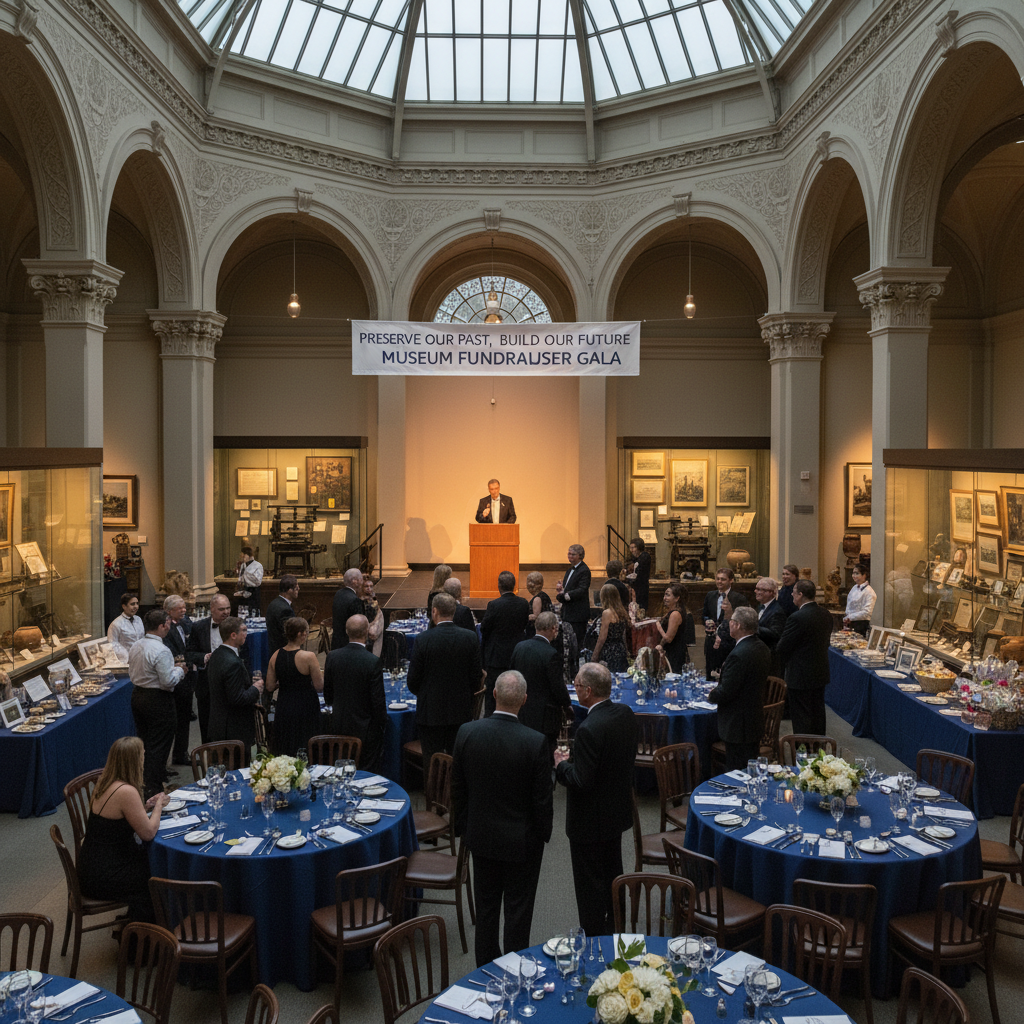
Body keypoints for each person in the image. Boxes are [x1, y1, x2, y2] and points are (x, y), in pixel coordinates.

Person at [451, 670, 553, 967]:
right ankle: (515, 971)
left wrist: (465, 829)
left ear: (494, 694)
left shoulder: (467, 732)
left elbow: (457, 789)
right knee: (518, 915)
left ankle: (484, 972)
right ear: (524, 700)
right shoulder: (535, 742)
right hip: (523, 843)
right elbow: (542, 801)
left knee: (486, 911)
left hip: (481, 837)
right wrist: (542, 836)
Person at [554, 663, 636, 937]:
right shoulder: (625, 714)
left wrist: (561, 765)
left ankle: (593, 939)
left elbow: (580, 781)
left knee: (589, 888)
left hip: (589, 823)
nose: (575, 689)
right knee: (614, 875)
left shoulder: (589, 728)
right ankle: (617, 929)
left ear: (588, 691)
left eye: (577, 685)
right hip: (616, 814)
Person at [78, 737, 167, 924]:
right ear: (134, 761)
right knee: (159, 871)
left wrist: (145, 808)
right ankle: (144, 930)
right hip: (105, 875)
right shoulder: (126, 791)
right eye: (142, 756)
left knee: (150, 860)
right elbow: (148, 833)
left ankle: (137, 921)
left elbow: (117, 820)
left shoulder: (104, 782)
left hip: (91, 866)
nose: (144, 760)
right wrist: (159, 805)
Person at [407, 592, 484, 771]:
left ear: (434, 612)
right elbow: (476, 678)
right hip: (461, 711)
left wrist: (426, 694)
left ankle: (432, 789)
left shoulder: (423, 639)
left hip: (430, 713)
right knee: (457, 762)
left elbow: (413, 681)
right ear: (454, 611)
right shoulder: (469, 637)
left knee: (431, 763)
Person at [128, 609, 185, 798]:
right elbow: (168, 681)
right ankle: (154, 790)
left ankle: (149, 782)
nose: (169, 626)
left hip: (138, 696)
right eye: (168, 623)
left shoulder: (136, 645)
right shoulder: (162, 650)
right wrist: (180, 670)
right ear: (162, 626)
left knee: (145, 741)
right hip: (158, 700)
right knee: (159, 745)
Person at [708, 606, 771, 770]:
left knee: (736, 771)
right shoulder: (762, 647)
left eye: (731, 621)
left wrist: (710, 695)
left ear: (737, 625)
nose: (729, 624)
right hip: (754, 720)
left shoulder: (738, 654)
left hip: (737, 725)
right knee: (750, 768)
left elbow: (727, 691)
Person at [323, 614, 387, 772]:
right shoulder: (372, 661)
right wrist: (381, 726)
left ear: (346, 631)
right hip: (365, 731)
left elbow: (328, 696)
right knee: (366, 774)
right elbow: (377, 702)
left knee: (340, 771)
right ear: (367, 631)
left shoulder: (332, 657)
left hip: (339, 727)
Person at [775, 579, 833, 735]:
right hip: (820, 672)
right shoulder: (826, 614)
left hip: (800, 675)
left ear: (800, 594)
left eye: (794, 592)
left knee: (801, 716)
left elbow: (782, 647)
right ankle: (819, 744)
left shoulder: (797, 617)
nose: (792, 595)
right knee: (818, 712)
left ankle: (803, 747)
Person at [510, 611, 571, 756]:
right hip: (545, 716)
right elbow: (557, 687)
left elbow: (512, 675)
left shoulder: (519, 647)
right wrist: (567, 705)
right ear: (553, 628)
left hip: (521, 710)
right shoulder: (551, 653)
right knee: (544, 755)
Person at [207, 616, 264, 757]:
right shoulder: (233, 663)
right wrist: (256, 688)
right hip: (234, 729)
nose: (246, 634)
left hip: (218, 724)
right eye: (243, 630)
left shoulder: (217, 654)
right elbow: (238, 698)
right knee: (237, 766)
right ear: (233, 635)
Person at [266, 616, 323, 757]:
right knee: (305, 741)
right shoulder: (309, 657)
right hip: (305, 705)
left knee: (286, 742)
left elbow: (270, 686)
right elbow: (319, 686)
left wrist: (286, 680)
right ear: (300, 634)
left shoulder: (275, 655)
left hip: (284, 704)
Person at [480, 570, 530, 713]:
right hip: (517, 654)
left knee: (493, 694)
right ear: (514, 586)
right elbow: (524, 624)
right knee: (516, 690)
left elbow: (484, 628)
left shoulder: (494, 605)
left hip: (497, 656)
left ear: (499, 586)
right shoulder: (523, 603)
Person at [185, 593, 231, 744]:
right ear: (212, 609)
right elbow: (189, 653)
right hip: (206, 685)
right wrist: (204, 657)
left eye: (228, 608)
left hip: (230, 684)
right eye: (221, 609)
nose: (226, 612)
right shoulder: (199, 627)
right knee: (206, 725)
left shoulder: (236, 625)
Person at [161, 594, 196, 768]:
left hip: (187, 677)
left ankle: (181, 753)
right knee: (174, 721)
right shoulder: (165, 630)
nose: (184, 610)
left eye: (184, 607)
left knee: (184, 719)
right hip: (174, 678)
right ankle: (168, 759)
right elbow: (171, 653)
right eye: (179, 608)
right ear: (169, 611)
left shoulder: (186, 623)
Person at [556, 543, 592, 648]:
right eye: (569, 554)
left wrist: (566, 594)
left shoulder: (584, 570)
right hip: (568, 613)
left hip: (578, 614)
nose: (570, 556)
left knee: (577, 643)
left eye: (573, 554)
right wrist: (561, 590)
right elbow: (567, 589)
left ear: (580, 556)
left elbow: (582, 589)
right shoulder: (569, 570)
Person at [702, 568, 738, 672]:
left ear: (731, 580)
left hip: (728, 642)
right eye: (717, 579)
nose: (719, 581)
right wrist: (707, 621)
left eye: (723, 579)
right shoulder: (710, 595)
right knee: (710, 671)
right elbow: (704, 615)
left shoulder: (738, 598)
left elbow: (740, 620)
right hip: (711, 640)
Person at [707, 592, 749, 678]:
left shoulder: (735, 626)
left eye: (726, 604)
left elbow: (730, 647)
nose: (722, 607)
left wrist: (717, 642)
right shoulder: (725, 620)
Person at [590, 583, 630, 672]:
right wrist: (626, 650)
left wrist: (595, 654)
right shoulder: (622, 612)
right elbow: (623, 635)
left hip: (609, 650)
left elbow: (602, 637)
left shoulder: (607, 613)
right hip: (620, 649)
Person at [754, 576, 787, 675]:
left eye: (762, 590)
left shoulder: (777, 611)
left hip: (769, 657)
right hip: (759, 653)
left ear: (772, 593)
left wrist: (752, 628)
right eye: (757, 589)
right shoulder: (760, 606)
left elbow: (775, 634)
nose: (757, 592)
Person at [655, 582, 692, 672]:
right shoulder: (672, 611)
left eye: (668, 595)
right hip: (670, 651)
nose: (664, 598)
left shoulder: (675, 614)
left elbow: (668, 638)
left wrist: (658, 626)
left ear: (676, 598)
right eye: (665, 595)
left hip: (674, 653)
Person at [331, 568, 365, 650]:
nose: (362, 582)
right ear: (354, 581)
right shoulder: (355, 600)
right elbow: (358, 627)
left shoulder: (338, 593)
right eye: (361, 579)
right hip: (349, 646)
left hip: (336, 643)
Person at [266, 575, 299, 656]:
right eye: (296, 588)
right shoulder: (285, 610)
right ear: (289, 590)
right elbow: (291, 634)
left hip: (273, 650)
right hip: (283, 654)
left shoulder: (274, 603)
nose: (299, 589)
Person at [107, 592, 144, 661]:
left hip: (140, 658)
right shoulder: (116, 623)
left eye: (137, 603)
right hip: (126, 660)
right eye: (132, 604)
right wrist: (126, 657)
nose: (136, 606)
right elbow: (113, 644)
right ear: (124, 606)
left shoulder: (138, 619)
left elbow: (142, 638)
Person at [843, 563, 876, 636]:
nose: (854, 576)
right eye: (853, 573)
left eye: (857, 573)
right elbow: (849, 604)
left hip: (861, 624)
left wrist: (850, 617)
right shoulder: (854, 588)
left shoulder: (869, 591)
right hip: (850, 623)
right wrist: (847, 617)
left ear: (864, 575)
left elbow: (867, 613)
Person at [234, 545, 264, 615]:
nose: (241, 557)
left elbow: (258, 581)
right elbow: (241, 578)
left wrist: (246, 573)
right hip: (245, 590)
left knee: (253, 610)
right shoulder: (243, 565)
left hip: (254, 591)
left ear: (248, 555)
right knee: (244, 611)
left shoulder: (258, 565)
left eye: (243, 555)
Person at [523, 571, 552, 638]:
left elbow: (536, 616)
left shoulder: (537, 599)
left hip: (535, 632)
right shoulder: (544, 595)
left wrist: (523, 617)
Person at [628, 538, 652, 614]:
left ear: (639, 547)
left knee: (641, 608)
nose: (632, 550)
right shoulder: (635, 558)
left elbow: (640, 573)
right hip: (636, 587)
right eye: (630, 548)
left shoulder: (645, 557)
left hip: (642, 587)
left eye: (633, 547)